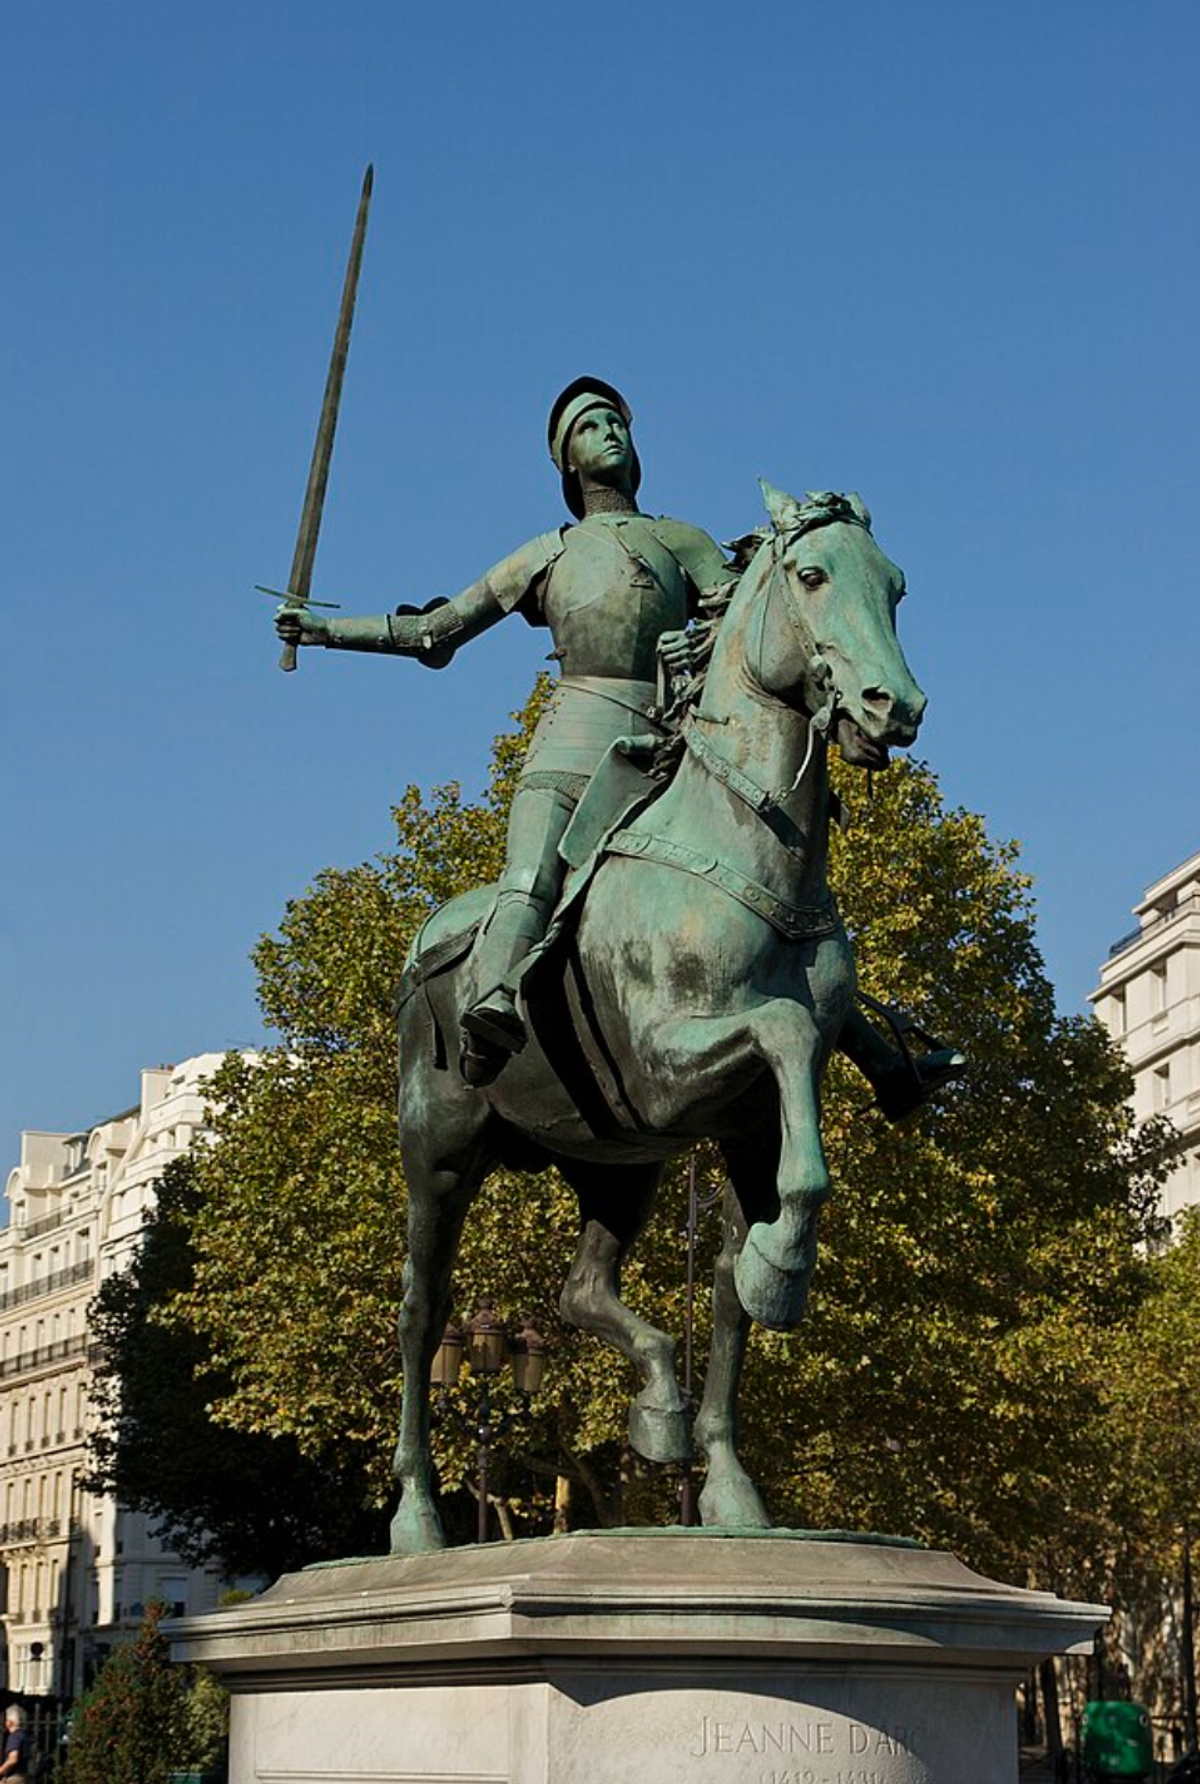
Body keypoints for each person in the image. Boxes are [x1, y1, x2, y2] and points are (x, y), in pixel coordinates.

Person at [277, 377, 961, 1109]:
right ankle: (495, 1002)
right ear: (566, 461)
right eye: (588, 427)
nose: (609, 433)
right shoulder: (547, 554)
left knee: (766, 892)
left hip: (676, 745)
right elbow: (434, 633)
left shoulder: (681, 540)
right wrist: (323, 631)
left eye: (616, 422)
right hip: (573, 746)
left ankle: (877, 1055)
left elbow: (754, 611)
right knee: (532, 878)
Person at [0, 1706, 29, 1784]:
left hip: (13, 1778)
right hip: (23, 1775)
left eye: (6, 1720)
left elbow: (13, 1759)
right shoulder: (24, 1735)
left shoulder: (14, 1736)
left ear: (10, 1722)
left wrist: (1, 1770)